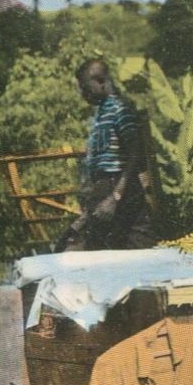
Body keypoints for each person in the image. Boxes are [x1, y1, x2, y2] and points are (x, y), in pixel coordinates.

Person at [53, 58, 152, 251]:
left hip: (119, 188)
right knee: (103, 248)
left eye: (85, 88)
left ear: (101, 81)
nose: (83, 94)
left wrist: (115, 197)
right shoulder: (101, 112)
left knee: (133, 247)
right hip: (104, 190)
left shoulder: (120, 108)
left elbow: (135, 154)